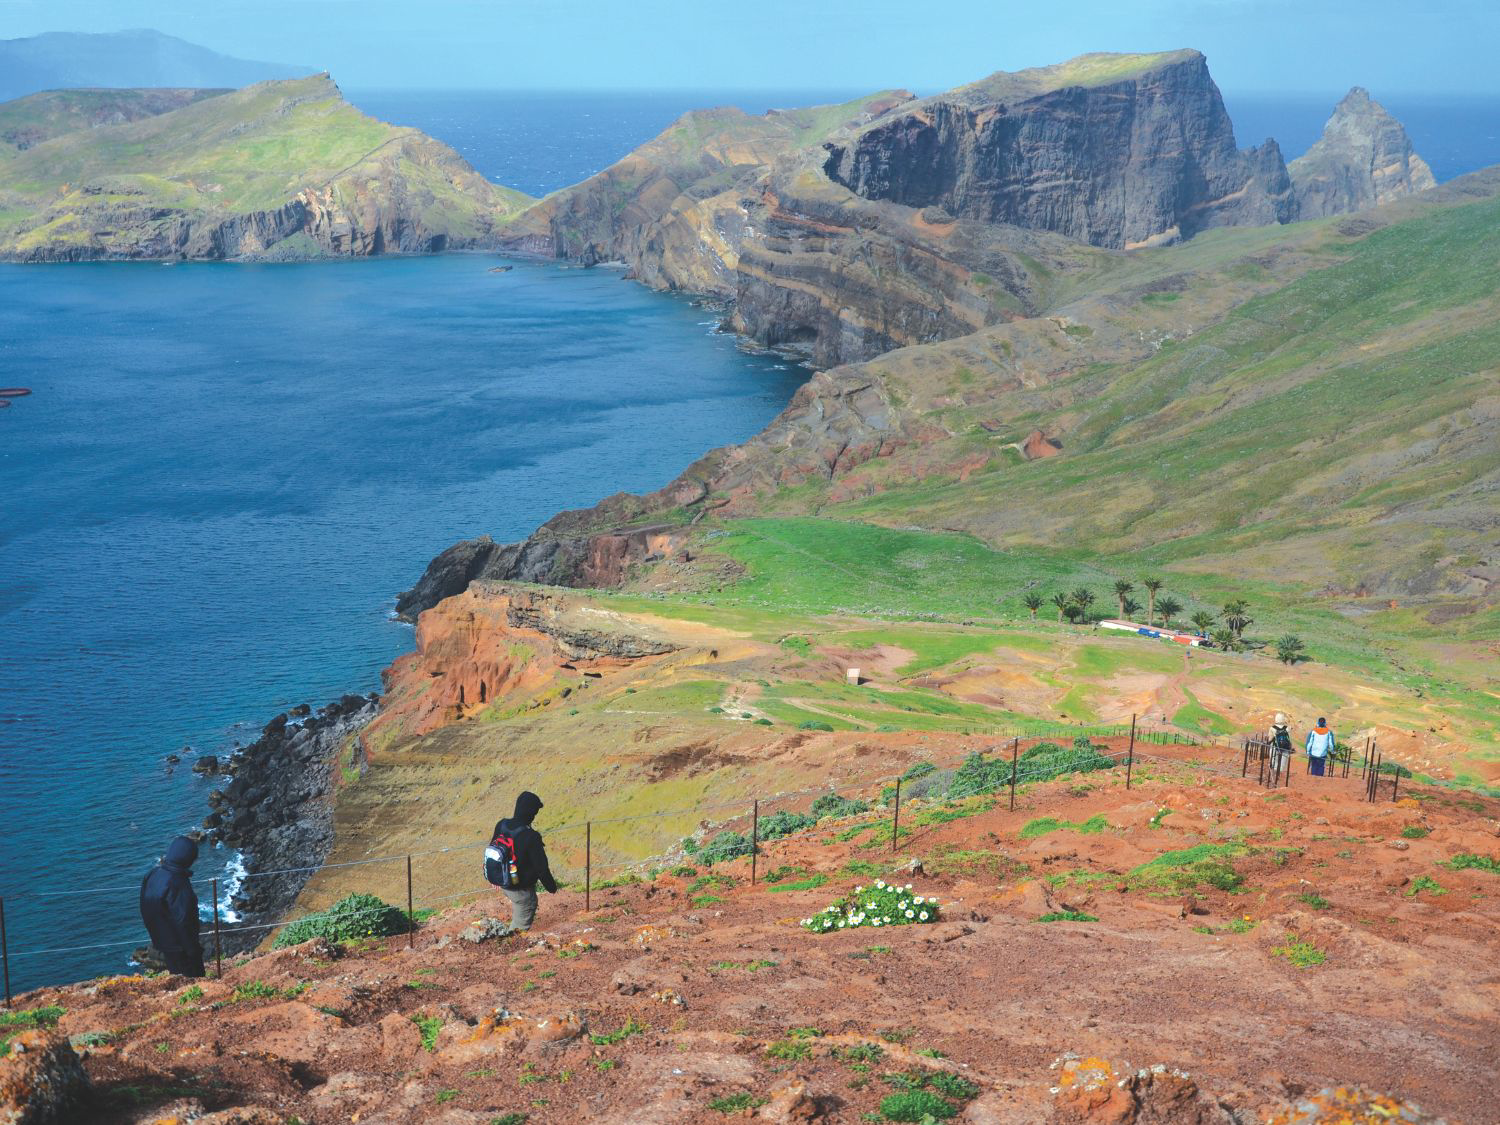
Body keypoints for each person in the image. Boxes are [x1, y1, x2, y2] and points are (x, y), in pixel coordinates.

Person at [139, 835, 205, 978]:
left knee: (176, 977)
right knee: (193, 980)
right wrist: (192, 949)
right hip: (180, 946)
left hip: (161, 939)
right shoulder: (178, 883)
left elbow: (144, 905)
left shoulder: (153, 874)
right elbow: (183, 920)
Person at [492, 791, 558, 932]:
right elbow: (541, 868)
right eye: (535, 812)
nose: (535, 815)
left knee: (519, 909)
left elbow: (493, 849)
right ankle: (509, 948)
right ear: (531, 812)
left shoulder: (502, 824)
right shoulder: (531, 836)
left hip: (502, 881)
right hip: (520, 889)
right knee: (520, 924)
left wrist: (495, 877)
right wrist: (552, 887)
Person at [1268, 712, 1294, 778]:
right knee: (1282, 764)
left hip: (1275, 747)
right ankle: (1280, 774)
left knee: (1274, 762)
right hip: (1285, 748)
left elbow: (1270, 739)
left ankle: (1274, 776)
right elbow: (1289, 739)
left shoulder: (1272, 728)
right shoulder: (1287, 728)